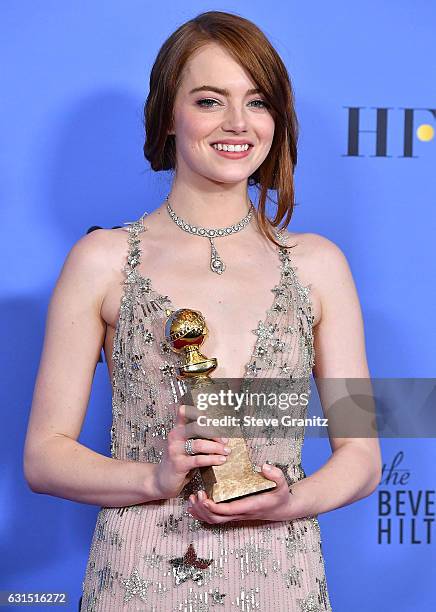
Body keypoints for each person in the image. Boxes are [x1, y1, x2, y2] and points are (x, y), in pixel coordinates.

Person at [23, 10, 382, 612]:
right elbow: (44, 454)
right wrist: (151, 479)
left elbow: (363, 456)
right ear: (169, 114)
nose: (238, 123)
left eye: (258, 101)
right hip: (138, 573)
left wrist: (290, 500)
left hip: (280, 575)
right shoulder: (103, 260)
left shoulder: (319, 265)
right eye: (211, 100)